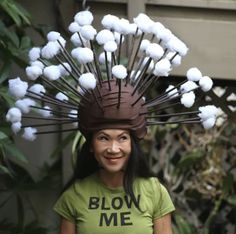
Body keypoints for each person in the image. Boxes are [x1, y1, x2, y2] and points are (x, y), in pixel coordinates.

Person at [54, 128, 175, 234]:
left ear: (132, 144)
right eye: (103, 138)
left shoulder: (155, 191)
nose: (113, 149)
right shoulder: (74, 195)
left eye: (122, 138)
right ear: (91, 145)